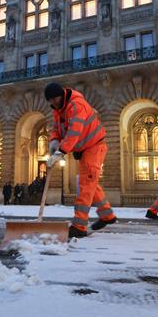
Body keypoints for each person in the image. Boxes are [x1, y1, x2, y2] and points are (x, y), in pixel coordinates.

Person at [44, 82, 116, 238]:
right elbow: (56, 129)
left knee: (85, 185)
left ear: (62, 94)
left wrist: (61, 152)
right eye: (50, 100)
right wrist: (54, 142)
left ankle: (79, 226)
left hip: (94, 148)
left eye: (55, 99)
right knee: (91, 184)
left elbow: (74, 132)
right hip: (85, 149)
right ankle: (107, 215)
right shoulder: (58, 110)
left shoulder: (77, 105)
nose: (53, 103)